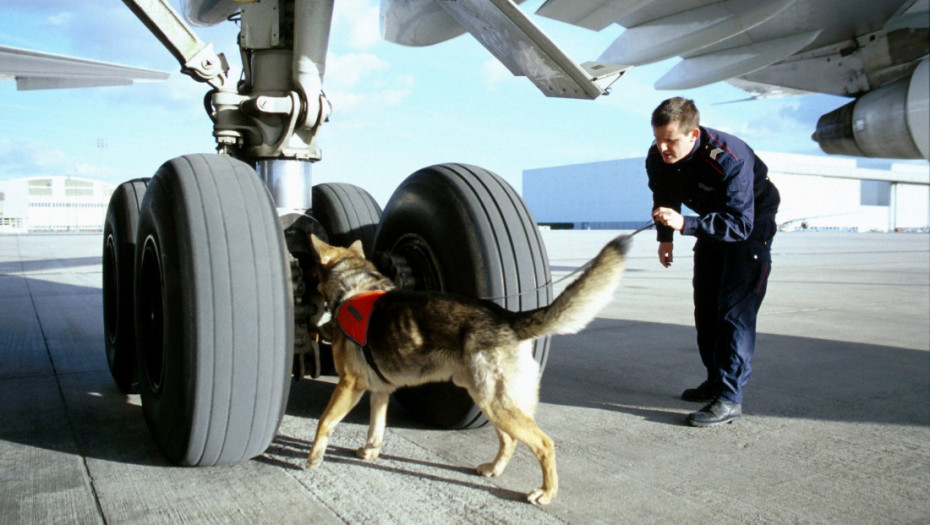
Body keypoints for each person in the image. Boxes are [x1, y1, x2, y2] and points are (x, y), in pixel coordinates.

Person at [646, 97, 780, 427]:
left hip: (749, 226)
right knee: (706, 308)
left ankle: (730, 399)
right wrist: (666, 237)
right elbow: (664, 194)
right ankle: (715, 382)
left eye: (671, 140)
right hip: (709, 223)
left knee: (734, 313)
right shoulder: (657, 155)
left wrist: (686, 225)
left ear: (694, 135)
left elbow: (740, 223)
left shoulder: (729, 158)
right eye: (658, 138)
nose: (663, 147)